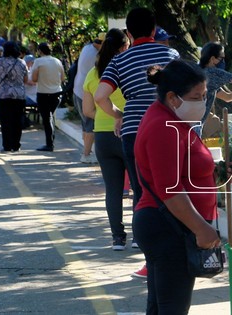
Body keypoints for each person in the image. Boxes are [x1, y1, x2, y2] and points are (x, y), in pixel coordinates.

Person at [133, 59, 220, 315]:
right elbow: (170, 190)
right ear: (173, 97)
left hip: (168, 226)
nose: (203, 103)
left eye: (204, 95)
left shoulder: (172, 120)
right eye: (196, 96)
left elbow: (185, 170)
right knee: (173, 308)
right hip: (169, 228)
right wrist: (202, 228)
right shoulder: (164, 127)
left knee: (162, 307)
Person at [94, 7, 180, 263]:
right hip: (167, 129)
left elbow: (100, 97)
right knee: (170, 185)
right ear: (154, 30)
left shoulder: (119, 60)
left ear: (129, 34)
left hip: (133, 130)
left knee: (141, 191)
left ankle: (144, 245)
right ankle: (168, 241)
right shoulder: (170, 54)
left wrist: (119, 115)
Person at [82, 28, 130, 251]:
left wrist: (106, 116)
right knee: (139, 187)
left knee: (113, 189)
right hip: (129, 132)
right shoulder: (128, 69)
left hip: (102, 136)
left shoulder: (94, 74)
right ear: (124, 47)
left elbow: (87, 110)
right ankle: (139, 237)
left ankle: (118, 238)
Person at [0, 41, 28, 152]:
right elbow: (25, 79)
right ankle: (16, 145)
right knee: (17, 120)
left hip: (3, 95)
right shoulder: (21, 63)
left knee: (5, 120)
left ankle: (6, 145)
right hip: (19, 95)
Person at [73, 32, 104, 164]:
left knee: (86, 124)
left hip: (78, 90)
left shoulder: (87, 48)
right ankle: (86, 154)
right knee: (90, 125)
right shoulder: (95, 56)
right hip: (86, 92)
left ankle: (87, 152)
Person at [32, 42, 65, 152]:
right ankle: (51, 139)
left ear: (40, 51)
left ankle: (49, 144)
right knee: (51, 116)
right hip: (56, 93)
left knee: (46, 118)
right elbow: (63, 78)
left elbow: (34, 79)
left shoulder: (38, 62)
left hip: (43, 93)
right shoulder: (57, 61)